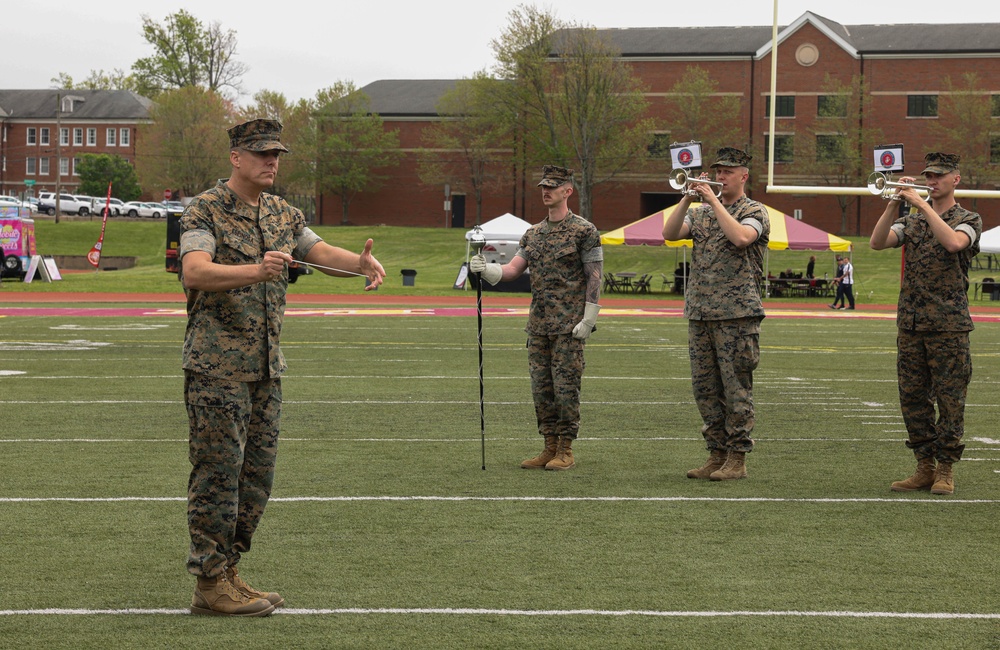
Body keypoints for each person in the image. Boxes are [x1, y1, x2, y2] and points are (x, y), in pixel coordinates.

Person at [179, 118, 386, 616]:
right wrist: (257, 270)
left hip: (266, 369)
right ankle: (209, 583)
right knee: (218, 476)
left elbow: (316, 251)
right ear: (236, 157)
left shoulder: (281, 212)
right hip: (217, 368)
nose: (272, 161)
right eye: (262, 153)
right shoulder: (205, 210)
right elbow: (194, 270)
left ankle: (228, 571)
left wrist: (358, 263)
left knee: (256, 480)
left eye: (277, 154)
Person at [470, 165, 603, 471]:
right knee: (541, 389)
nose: (546, 191)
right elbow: (513, 270)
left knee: (566, 388)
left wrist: (589, 317)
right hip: (539, 326)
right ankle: (549, 446)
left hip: (569, 326)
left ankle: (565, 449)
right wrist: (486, 268)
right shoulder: (533, 233)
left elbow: (594, 277)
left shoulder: (585, 231)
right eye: (543, 186)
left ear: (567, 191)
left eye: (553, 187)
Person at [869, 152, 981, 496]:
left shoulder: (968, 218)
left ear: (955, 180)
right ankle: (924, 466)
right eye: (928, 176)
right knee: (913, 399)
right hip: (912, 325)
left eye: (938, 177)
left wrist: (921, 203)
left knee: (949, 400)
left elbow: (952, 243)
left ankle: (945, 468)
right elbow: (877, 242)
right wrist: (894, 204)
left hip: (948, 325)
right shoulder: (914, 221)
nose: (931, 182)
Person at [662, 147, 770, 481]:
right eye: (717, 171)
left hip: (737, 314)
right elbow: (669, 234)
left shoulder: (755, 211)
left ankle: (737, 458)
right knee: (705, 389)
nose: (720, 177)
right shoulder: (702, 212)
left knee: (736, 388)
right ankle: (716, 453)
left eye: (727, 172)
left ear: (744, 175)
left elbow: (740, 238)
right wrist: (686, 198)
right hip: (701, 311)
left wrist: (713, 201)